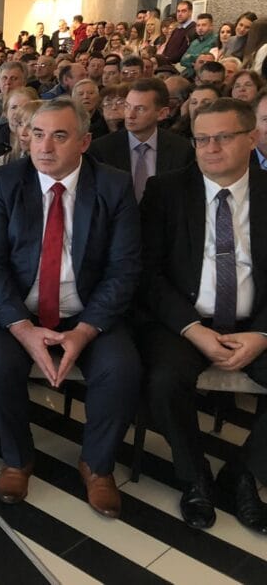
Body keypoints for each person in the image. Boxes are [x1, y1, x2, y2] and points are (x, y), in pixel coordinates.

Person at [0, 96, 142, 518]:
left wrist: (85, 330)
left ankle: (97, 465)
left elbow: (123, 269)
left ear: (84, 142)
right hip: (20, 310)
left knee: (122, 370)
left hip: (89, 312)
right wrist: (21, 327)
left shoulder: (113, 186)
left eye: (59, 136)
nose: (45, 147)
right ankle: (17, 458)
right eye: (37, 135)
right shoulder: (5, 181)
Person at [139, 98, 267, 533]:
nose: (211, 148)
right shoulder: (166, 191)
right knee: (163, 380)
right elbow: (149, 274)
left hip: (255, 322)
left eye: (223, 137)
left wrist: (262, 334)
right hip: (185, 321)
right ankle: (196, 477)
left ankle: (246, 473)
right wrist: (193, 330)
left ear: (252, 138)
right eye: (201, 139)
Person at [88, 78, 195, 202]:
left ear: (162, 113)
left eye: (140, 109)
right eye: (127, 106)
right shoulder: (101, 149)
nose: (130, 115)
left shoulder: (181, 150)